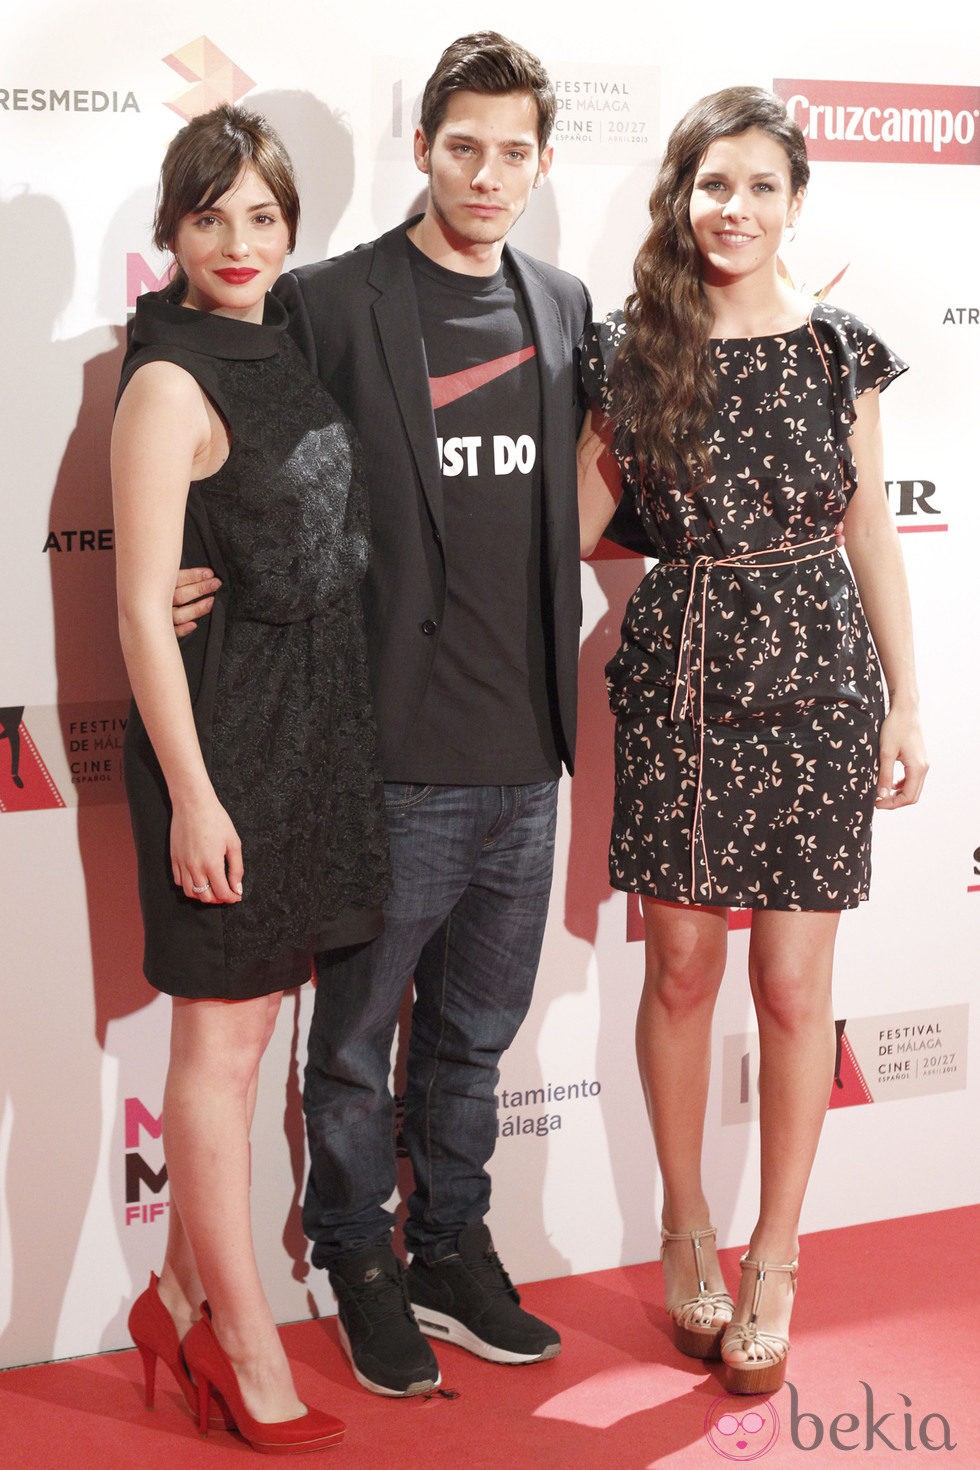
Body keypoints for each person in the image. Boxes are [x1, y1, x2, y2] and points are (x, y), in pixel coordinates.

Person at [172, 32, 599, 1398]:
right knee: (354, 1046)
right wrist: (179, 548)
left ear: (540, 163)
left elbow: (581, 499)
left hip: (527, 755)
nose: (486, 171)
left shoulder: (563, 300)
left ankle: (451, 1246)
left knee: (474, 1036)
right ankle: (356, 1255)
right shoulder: (334, 298)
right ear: (423, 147)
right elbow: (200, 371)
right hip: (385, 752)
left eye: (513, 149)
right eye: (461, 144)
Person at [577, 86, 927, 1394]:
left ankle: (776, 1253)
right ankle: (684, 1225)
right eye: (712, 184)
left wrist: (907, 697)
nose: (734, 208)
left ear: (794, 201)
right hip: (682, 677)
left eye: (760, 186)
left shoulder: (843, 352)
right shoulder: (637, 351)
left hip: (821, 688)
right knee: (679, 966)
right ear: (682, 197)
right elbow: (566, 525)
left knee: (790, 986)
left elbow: (874, 532)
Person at [113, 103, 388, 1450]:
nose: (237, 239)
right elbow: (133, 613)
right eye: (208, 214)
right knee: (218, 1061)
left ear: (291, 226)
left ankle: (172, 1296)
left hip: (314, 735)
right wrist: (196, 795)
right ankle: (241, 1341)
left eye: (262, 215)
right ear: (169, 231)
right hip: (225, 747)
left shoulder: (283, 339)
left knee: (260, 1035)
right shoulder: (167, 382)